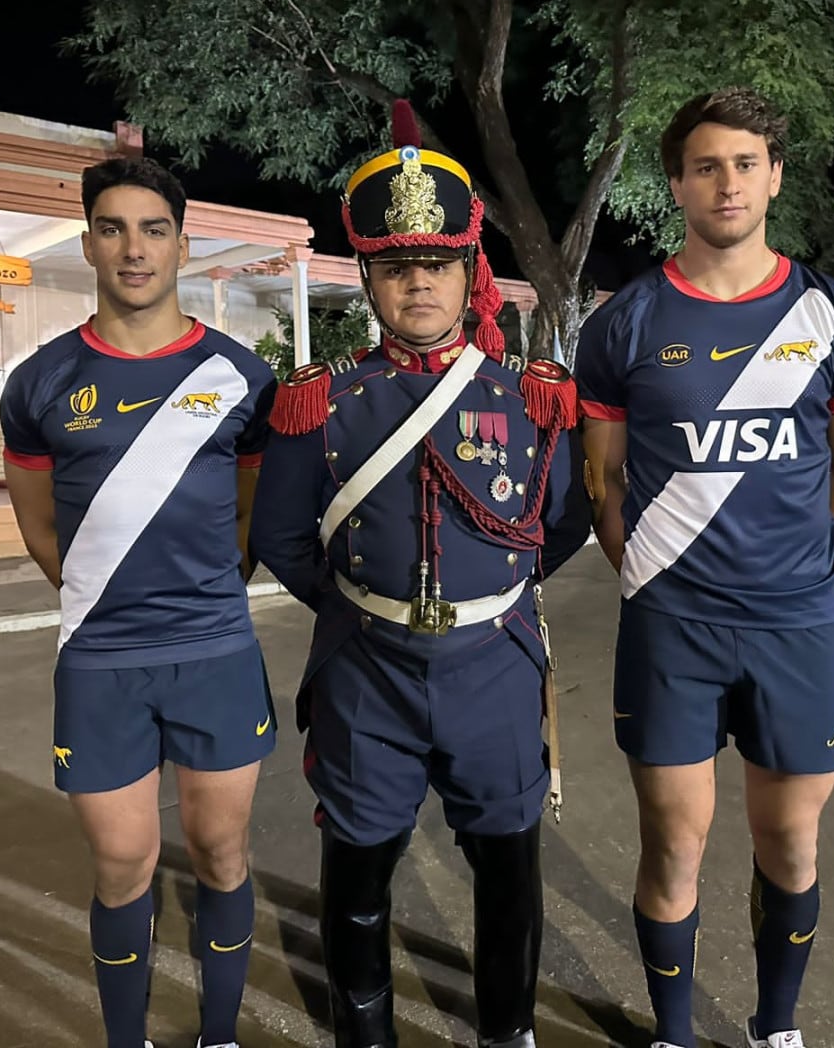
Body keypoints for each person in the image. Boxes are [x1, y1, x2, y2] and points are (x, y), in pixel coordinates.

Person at [249, 101, 590, 1048]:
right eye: (397, 266)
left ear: (468, 270)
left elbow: (560, 523)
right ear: (368, 276)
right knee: (357, 882)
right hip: (368, 671)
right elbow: (281, 535)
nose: (418, 284)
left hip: (494, 667)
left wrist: (493, 595)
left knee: (508, 878)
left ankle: (506, 1034)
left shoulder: (526, 398)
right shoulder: (324, 403)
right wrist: (361, 607)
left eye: (436, 264)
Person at [573, 87, 834, 1048]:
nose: (728, 183)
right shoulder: (624, 323)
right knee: (674, 844)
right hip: (671, 628)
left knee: (790, 841)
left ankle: (774, 1027)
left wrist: (802, 569)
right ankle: (674, 1034)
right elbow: (602, 481)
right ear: (676, 183)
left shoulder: (833, 316)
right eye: (706, 166)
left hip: (798, 627)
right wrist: (650, 570)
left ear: (775, 177)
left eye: (746, 163)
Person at [0, 156, 277, 1048]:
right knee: (123, 864)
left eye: (154, 230)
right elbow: (40, 528)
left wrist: (202, 596)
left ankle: (218, 1036)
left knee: (222, 853)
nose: (134, 249)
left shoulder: (242, 377)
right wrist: (105, 598)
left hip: (216, 653)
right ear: (88, 244)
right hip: (101, 661)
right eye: (112, 229)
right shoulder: (39, 383)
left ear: (182, 246)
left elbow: (249, 516)